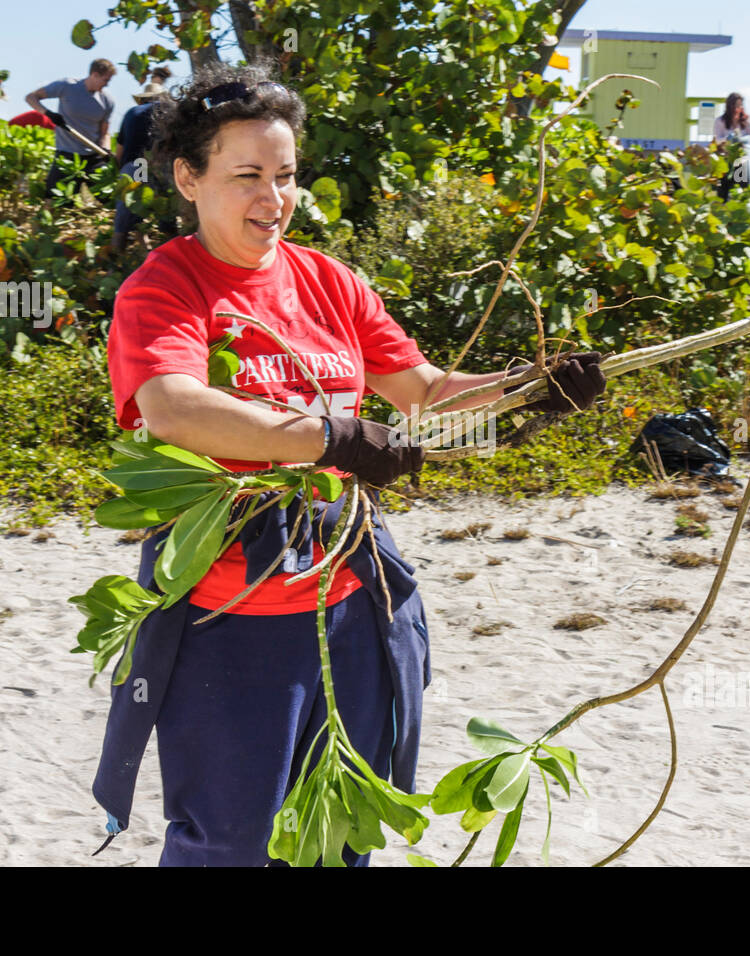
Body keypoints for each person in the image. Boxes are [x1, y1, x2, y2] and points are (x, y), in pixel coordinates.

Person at [90, 62, 608, 867]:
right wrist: (329, 438)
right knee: (230, 842)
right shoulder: (166, 287)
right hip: (233, 619)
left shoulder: (327, 279)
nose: (274, 200)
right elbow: (172, 408)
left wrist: (530, 393)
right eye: (248, 177)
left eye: (287, 176)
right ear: (188, 178)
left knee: (339, 842)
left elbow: (427, 394)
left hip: (352, 603)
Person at [25, 58, 117, 200]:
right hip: (66, 155)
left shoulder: (107, 101)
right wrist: (48, 114)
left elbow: (104, 133)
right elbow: (31, 97)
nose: (107, 84)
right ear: (95, 74)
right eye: (105, 80)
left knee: (109, 198)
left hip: (93, 158)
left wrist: (106, 149)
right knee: (54, 200)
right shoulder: (67, 86)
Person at [112, 67, 177, 252]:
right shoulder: (169, 110)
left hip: (137, 165)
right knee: (166, 214)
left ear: (142, 99)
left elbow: (120, 150)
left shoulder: (132, 113)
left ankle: (116, 260)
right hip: (163, 167)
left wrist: (120, 171)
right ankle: (176, 257)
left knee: (125, 218)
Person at [713, 93, 750, 199]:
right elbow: (716, 140)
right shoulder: (720, 121)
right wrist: (728, 141)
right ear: (729, 106)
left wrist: (745, 139)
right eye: (736, 105)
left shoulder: (745, 122)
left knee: (742, 191)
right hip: (725, 161)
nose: (739, 108)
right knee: (723, 192)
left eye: (741, 105)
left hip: (740, 160)